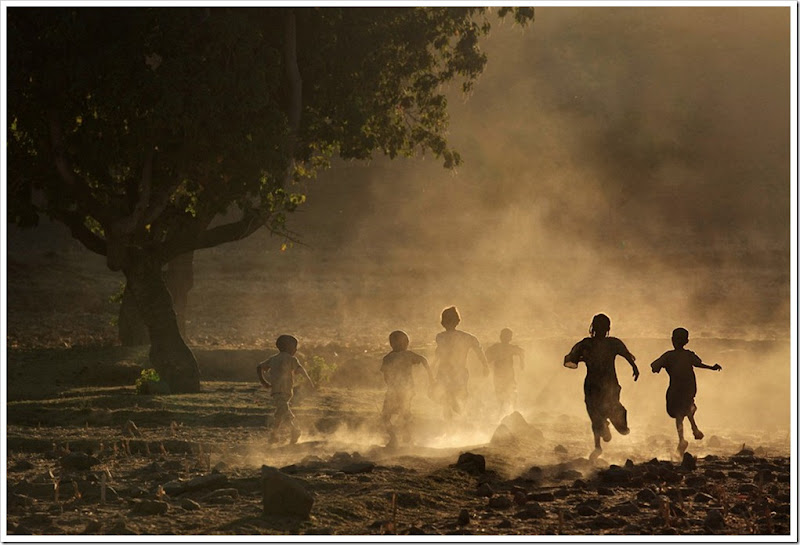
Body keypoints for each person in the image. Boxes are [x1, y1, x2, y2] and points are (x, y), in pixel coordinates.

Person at [564, 313, 639, 460]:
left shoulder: (587, 344)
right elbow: (627, 356)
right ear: (608, 328)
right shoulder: (611, 343)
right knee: (605, 411)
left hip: (595, 384)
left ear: (592, 327)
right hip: (607, 383)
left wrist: (581, 358)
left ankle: (601, 436)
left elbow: (570, 360)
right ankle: (601, 438)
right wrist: (634, 368)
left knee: (596, 414)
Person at [650, 327, 722, 455]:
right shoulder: (686, 355)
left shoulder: (670, 355)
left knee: (680, 414)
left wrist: (657, 368)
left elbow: (654, 365)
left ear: (673, 340)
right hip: (686, 388)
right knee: (685, 411)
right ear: (686, 341)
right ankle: (690, 432)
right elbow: (699, 364)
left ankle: (685, 437)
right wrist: (711, 367)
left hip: (678, 388)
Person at [256, 334, 315, 444]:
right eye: (295, 347)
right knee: (282, 411)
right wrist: (309, 381)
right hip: (285, 391)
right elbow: (301, 370)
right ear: (289, 348)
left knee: (281, 412)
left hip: (278, 391)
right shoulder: (291, 359)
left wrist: (264, 382)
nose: (296, 350)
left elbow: (259, 367)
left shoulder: (273, 359)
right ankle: (290, 431)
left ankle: (278, 434)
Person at [433, 306, 489, 419]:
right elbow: (479, 350)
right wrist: (485, 365)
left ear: (442, 323)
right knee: (458, 395)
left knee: (449, 397)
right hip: (458, 371)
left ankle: (453, 420)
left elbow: (439, 353)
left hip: (446, 371)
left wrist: (433, 365)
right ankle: (460, 418)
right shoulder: (468, 337)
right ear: (458, 321)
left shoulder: (440, 337)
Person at [380, 330, 433, 448]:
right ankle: (406, 436)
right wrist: (430, 376)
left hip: (395, 390)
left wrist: (390, 385)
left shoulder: (388, 358)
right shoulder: (407, 355)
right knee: (404, 413)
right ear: (406, 343)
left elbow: (385, 376)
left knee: (386, 416)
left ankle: (394, 438)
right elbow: (423, 360)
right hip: (406, 390)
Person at [485, 328, 525, 415]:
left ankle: (510, 410)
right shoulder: (500, 347)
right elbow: (487, 357)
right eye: (505, 336)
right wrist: (522, 362)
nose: (506, 338)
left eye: (507, 336)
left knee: (508, 391)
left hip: (506, 374)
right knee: (505, 391)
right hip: (502, 374)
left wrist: (522, 362)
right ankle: (506, 410)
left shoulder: (504, 348)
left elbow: (521, 352)